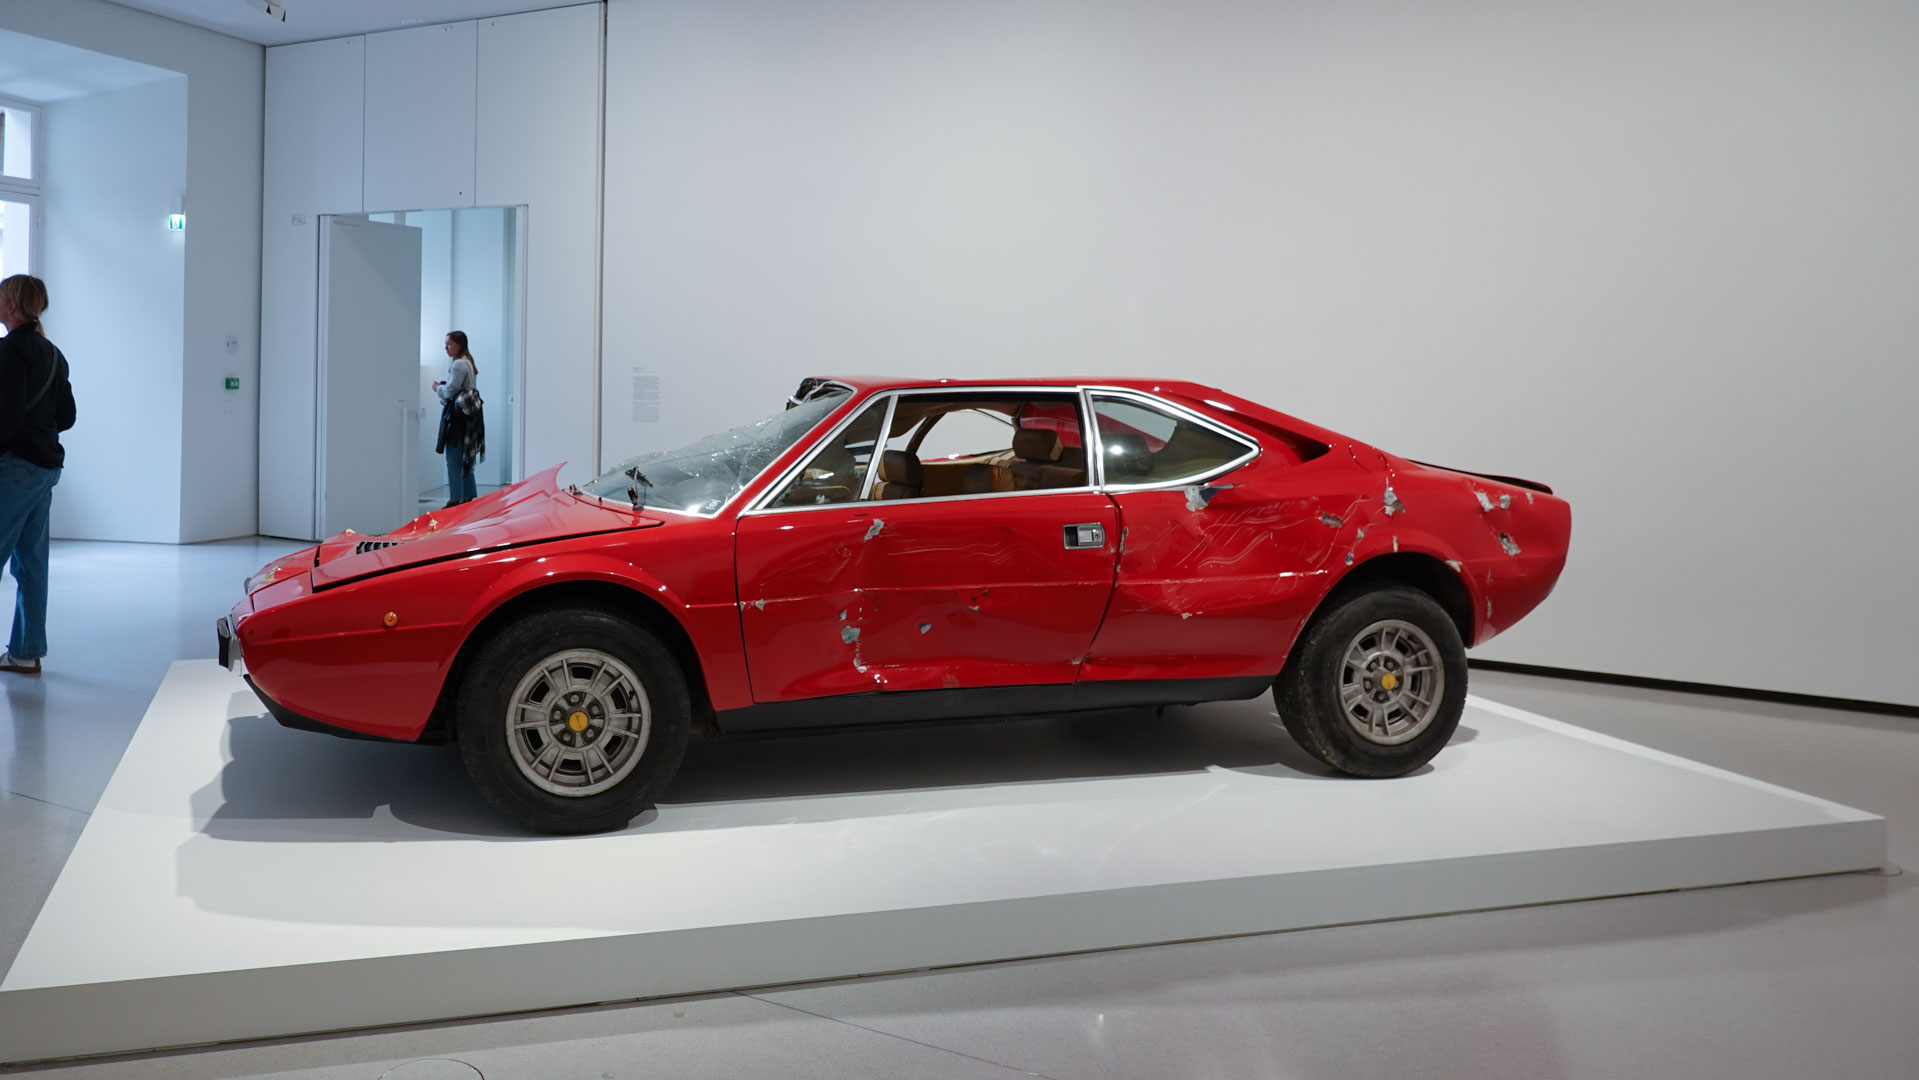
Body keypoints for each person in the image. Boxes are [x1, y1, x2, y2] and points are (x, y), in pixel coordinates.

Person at [0, 275, 76, 675]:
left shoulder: (11, 350)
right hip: (46, 468)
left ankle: (25, 652)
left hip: (15, 468)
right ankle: (26, 653)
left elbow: (7, 416)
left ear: (12, 306)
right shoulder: (53, 353)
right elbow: (68, 416)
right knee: (31, 563)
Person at [431, 330, 484, 506]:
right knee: (465, 457)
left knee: (453, 458)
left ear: (459, 345)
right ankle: (467, 495)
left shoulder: (459, 364)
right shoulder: (468, 361)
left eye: (449, 344)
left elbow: (450, 391)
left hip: (458, 417)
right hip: (468, 417)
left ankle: (455, 499)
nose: (446, 347)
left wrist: (437, 388)